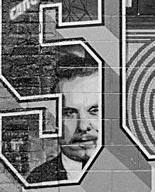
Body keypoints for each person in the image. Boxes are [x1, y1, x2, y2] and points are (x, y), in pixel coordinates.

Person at [26, 55, 101, 184]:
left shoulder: (135, 174)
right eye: (69, 113)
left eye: (94, 111)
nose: (83, 126)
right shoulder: (38, 181)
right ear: (54, 120)